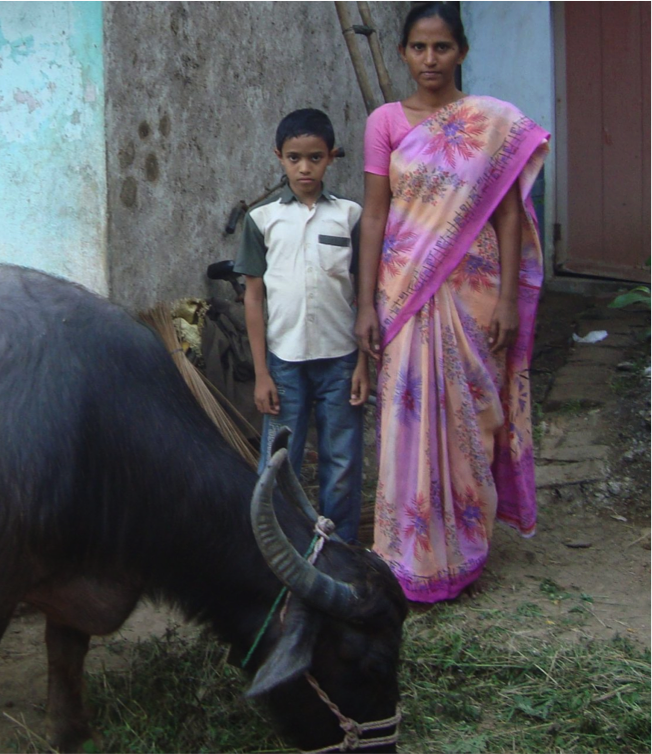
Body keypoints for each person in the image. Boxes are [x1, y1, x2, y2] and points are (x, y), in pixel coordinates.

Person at [354, 1, 550, 602]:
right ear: (404, 53)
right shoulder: (386, 121)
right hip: (403, 290)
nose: (430, 59)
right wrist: (364, 304)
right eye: (418, 47)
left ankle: (464, 547)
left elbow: (510, 213)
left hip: (477, 293)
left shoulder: (492, 122)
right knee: (407, 418)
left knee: (473, 417)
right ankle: (408, 556)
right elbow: (377, 214)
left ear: (462, 51)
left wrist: (511, 299)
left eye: (442, 47)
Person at [234, 108, 368, 543]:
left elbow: (366, 295)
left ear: (331, 157)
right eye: (294, 158)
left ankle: (339, 549)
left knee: (342, 460)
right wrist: (261, 373)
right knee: (278, 461)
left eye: (315, 157)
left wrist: (364, 363)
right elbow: (253, 298)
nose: (304, 168)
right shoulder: (261, 220)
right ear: (279, 157)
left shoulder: (349, 216)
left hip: (341, 362)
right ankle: (278, 550)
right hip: (284, 364)